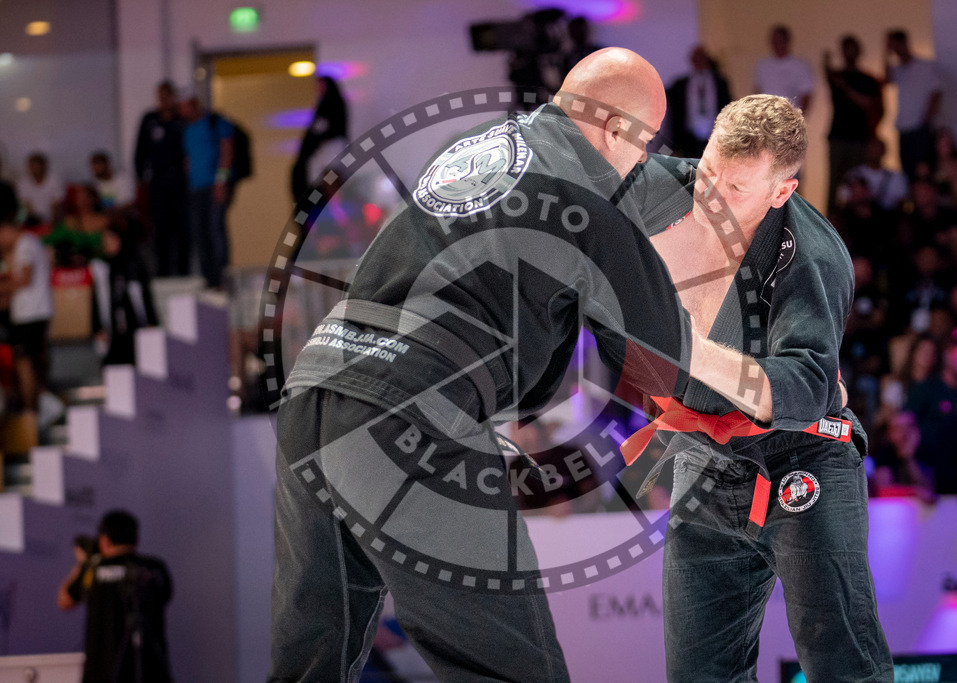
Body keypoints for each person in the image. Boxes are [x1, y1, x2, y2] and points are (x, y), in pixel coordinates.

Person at [271, 47, 706, 682]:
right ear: (617, 129)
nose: (642, 162)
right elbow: (663, 362)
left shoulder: (478, 144)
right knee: (511, 668)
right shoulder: (593, 200)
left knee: (310, 664)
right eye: (644, 142)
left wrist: (709, 179)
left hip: (315, 382)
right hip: (413, 404)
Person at [631, 94, 892, 680]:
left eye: (736, 188)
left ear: (782, 191)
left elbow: (808, 384)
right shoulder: (673, 189)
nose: (711, 196)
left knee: (842, 664)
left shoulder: (811, 257)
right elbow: (584, 176)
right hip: (705, 454)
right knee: (699, 673)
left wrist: (691, 349)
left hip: (804, 456)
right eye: (708, 171)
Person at [61, 509, 173, 683]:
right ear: (136, 538)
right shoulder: (154, 568)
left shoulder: (92, 568)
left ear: (104, 540)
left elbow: (65, 601)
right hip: (148, 673)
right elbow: (166, 596)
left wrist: (83, 563)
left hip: (101, 674)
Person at [179, 90, 234, 289]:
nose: (182, 111)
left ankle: (222, 275)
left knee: (215, 229)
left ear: (194, 104)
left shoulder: (214, 122)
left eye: (184, 106)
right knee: (199, 233)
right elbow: (188, 158)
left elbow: (227, 151)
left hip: (214, 185)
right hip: (196, 189)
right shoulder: (186, 130)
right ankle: (208, 278)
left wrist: (221, 181)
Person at [134, 81, 189, 277]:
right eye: (161, 96)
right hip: (158, 184)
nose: (165, 100)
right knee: (161, 229)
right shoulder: (150, 119)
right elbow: (140, 152)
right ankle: (163, 273)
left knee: (182, 230)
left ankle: (183, 273)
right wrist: (141, 179)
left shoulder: (181, 120)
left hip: (181, 185)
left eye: (168, 95)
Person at [823, 34, 883, 213]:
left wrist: (845, 87)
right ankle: (830, 221)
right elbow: (826, 73)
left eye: (852, 48)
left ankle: (856, 218)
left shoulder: (867, 80)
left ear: (858, 51)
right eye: (846, 48)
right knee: (834, 183)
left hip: (859, 138)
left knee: (858, 181)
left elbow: (871, 104)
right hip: (837, 136)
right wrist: (825, 63)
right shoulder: (836, 77)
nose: (849, 52)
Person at [0, 216, 53, 415]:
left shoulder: (25, 244)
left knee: (24, 361)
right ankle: (40, 404)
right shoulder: (24, 244)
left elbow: (24, 278)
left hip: (30, 313)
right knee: (33, 359)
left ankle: (31, 409)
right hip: (32, 312)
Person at [90, 215, 159, 365]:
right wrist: (97, 328)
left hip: (134, 328)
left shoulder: (134, 265)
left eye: (110, 238)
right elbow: (96, 302)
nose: (106, 243)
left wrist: (152, 322)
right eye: (104, 239)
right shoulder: (101, 268)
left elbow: (145, 297)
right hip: (112, 331)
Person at [884, 29, 942, 178]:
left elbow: (936, 92)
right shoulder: (898, 70)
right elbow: (887, 80)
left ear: (905, 43)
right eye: (893, 46)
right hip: (904, 129)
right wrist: (886, 52)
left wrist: (926, 119)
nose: (896, 49)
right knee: (907, 172)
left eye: (897, 44)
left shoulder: (925, 66)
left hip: (921, 127)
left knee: (924, 171)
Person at [290, 76, 349, 204]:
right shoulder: (322, 105)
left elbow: (334, 128)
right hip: (321, 155)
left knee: (330, 179)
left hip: (331, 151)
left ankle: (337, 206)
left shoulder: (334, 104)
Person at [665, 45, 732, 158]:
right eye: (696, 58)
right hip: (688, 139)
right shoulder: (681, 84)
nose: (699, 61)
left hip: (714, 135)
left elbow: (727, 106)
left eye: (702, 58)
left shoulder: (720, 82)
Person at [753, 25, 814, 114]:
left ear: (787, 41)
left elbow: (806, 93)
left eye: (779, 40)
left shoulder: (799, 65)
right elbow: (757, 91)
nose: (777, 44)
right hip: (767, 115)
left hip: (789, 115)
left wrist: (801, 115)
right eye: (774, 41)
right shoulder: (762, 65)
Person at [16, 152, 64, 225]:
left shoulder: (54, 181)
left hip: (51, 220)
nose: (33, 170)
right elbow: (25, 206)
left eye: (36, 168)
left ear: (43, 167)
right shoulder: (23, 183)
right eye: (31, 167)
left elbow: (56, 205)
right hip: (33, 220)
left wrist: (52, 223)